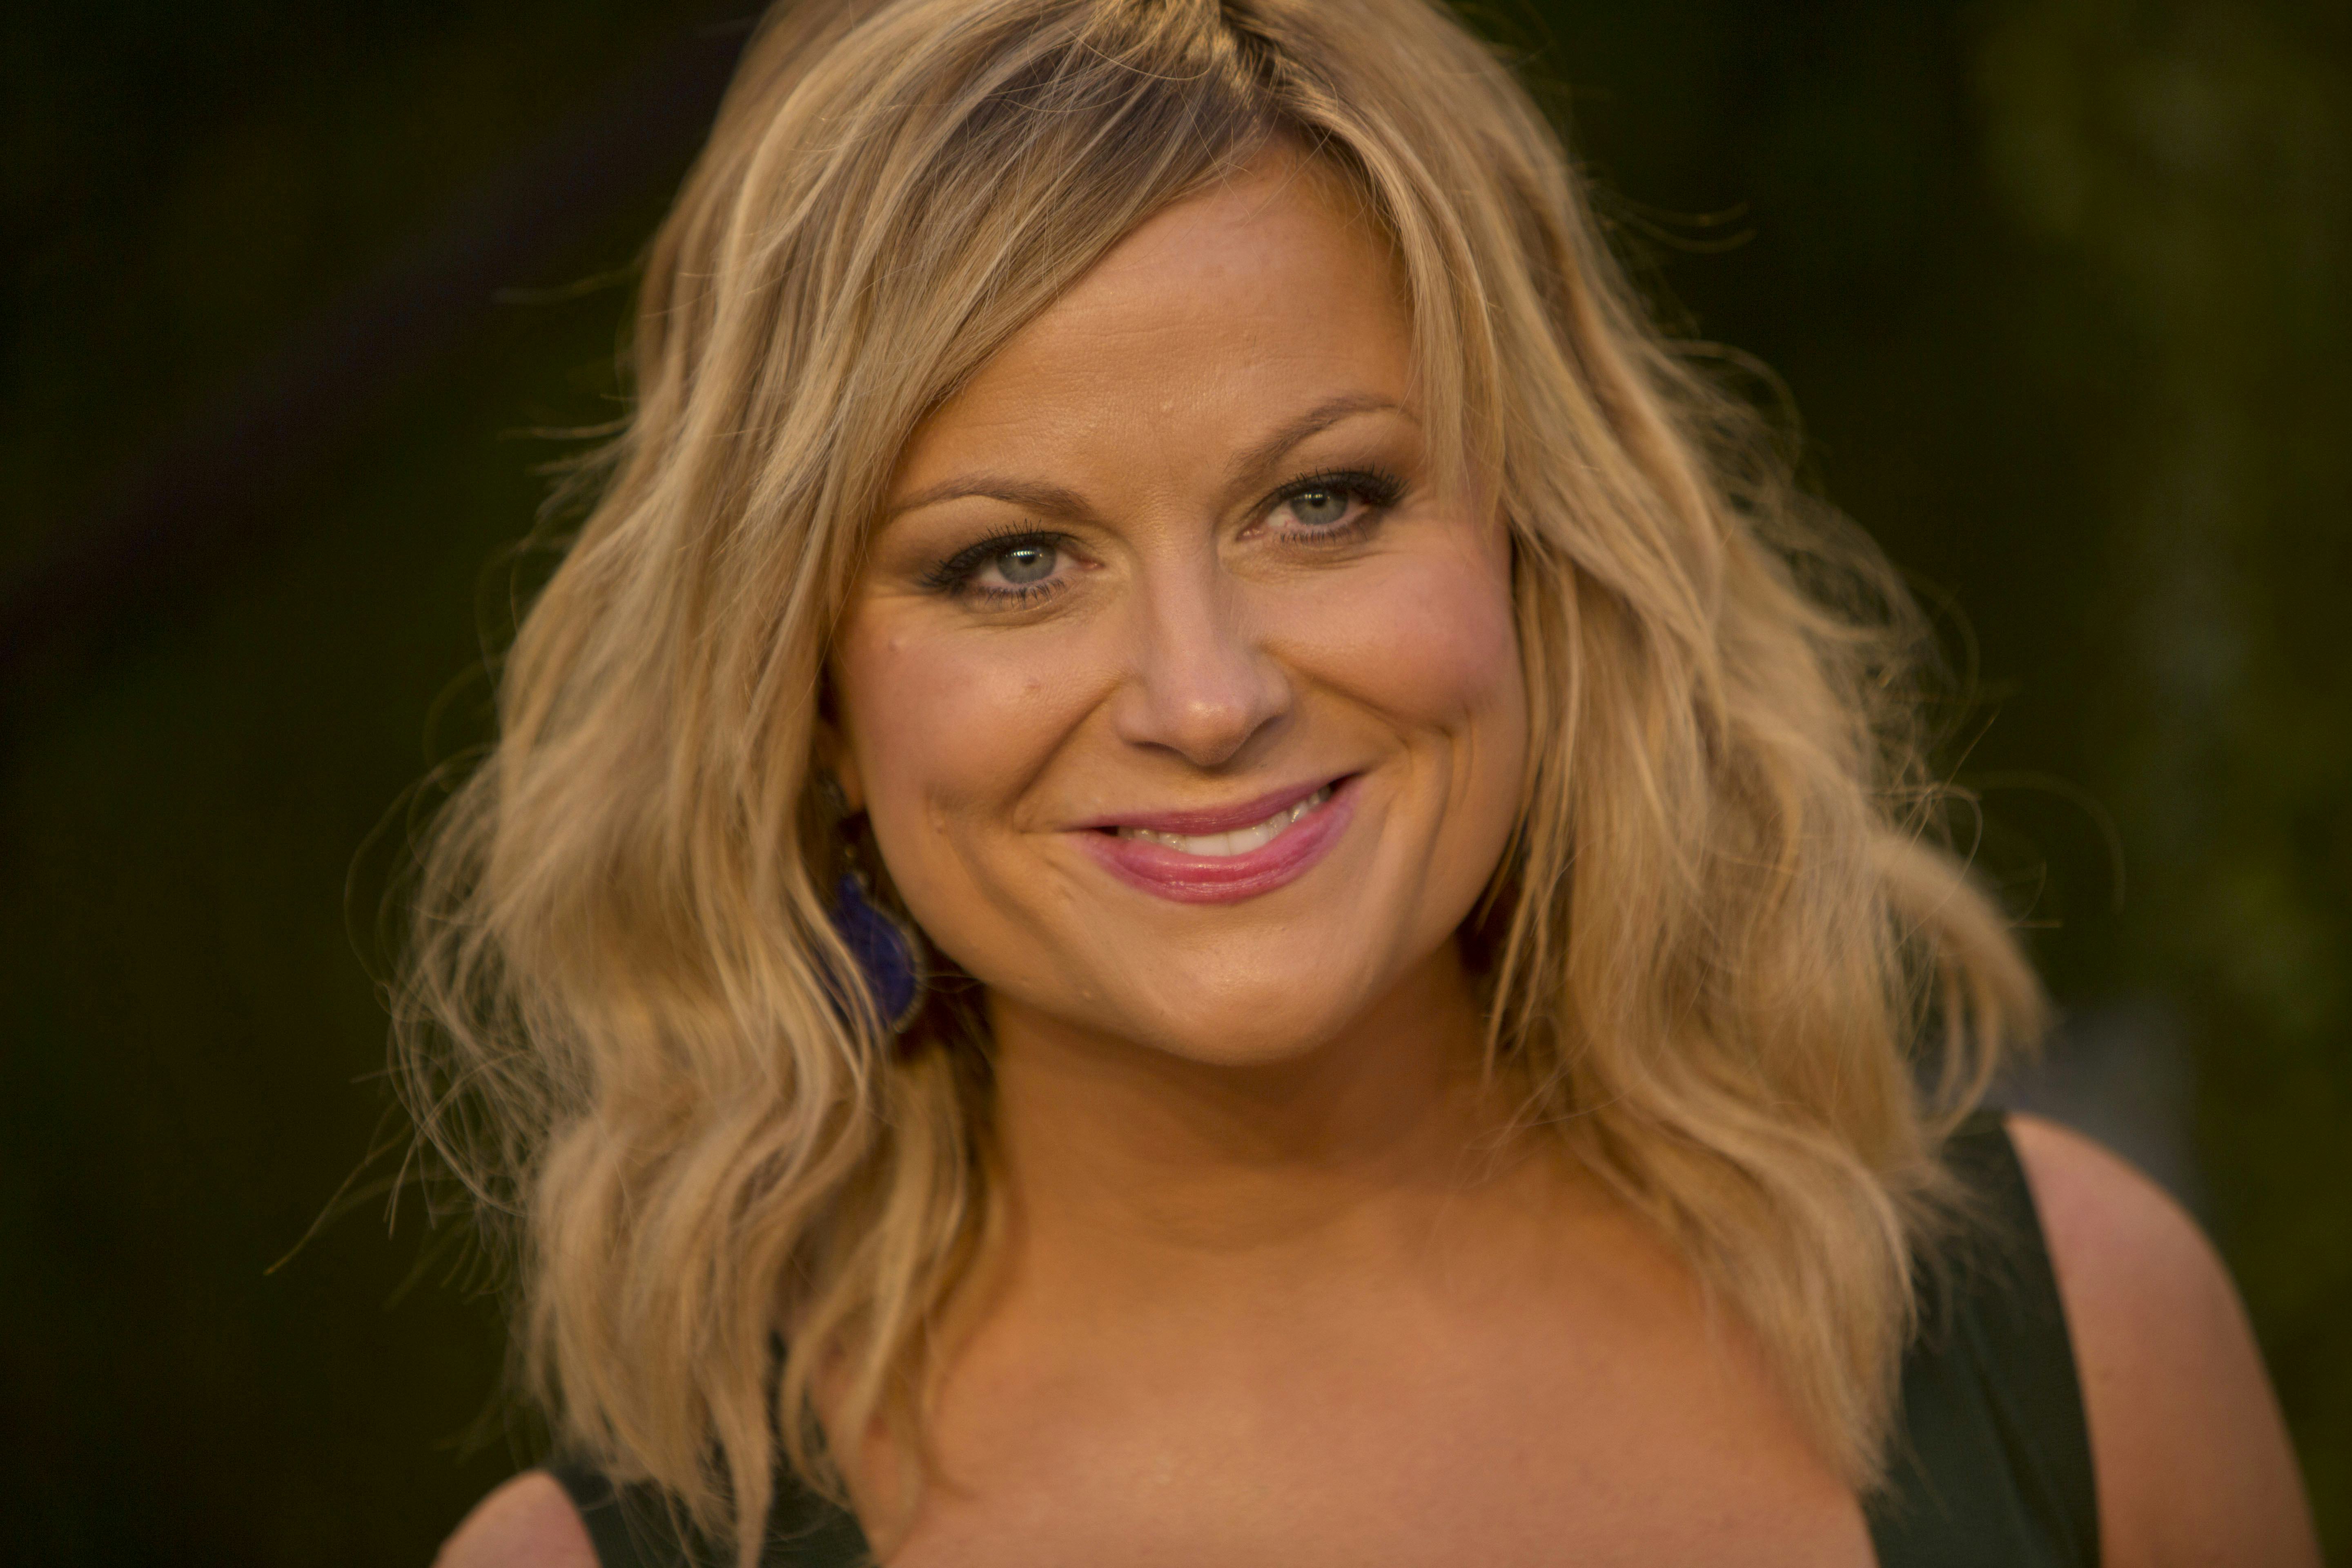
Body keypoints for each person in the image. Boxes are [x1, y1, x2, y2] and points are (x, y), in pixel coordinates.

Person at [412, 1, 2320, 1564]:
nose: (1208, 695)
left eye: (1324, 501)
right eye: (1012, 562)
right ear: (812, 694)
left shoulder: (2080, 1344)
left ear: (1536, 545)